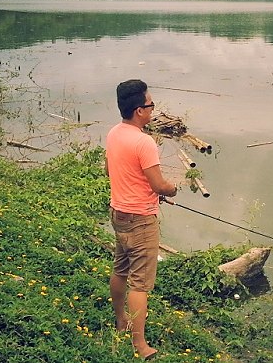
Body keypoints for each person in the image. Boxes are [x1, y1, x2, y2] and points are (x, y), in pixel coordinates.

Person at [105, 79, 178, 360]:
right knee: (140, 283)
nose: (152, 109)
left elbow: (113, 169)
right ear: (139, 110)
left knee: (120, 267)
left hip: (119, 214)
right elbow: (160, 186)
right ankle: (140, 345)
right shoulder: (144, 142)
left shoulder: (114, 133)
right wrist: (172, 189)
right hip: (141, 221)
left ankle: (121, 319)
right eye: (150, 105)